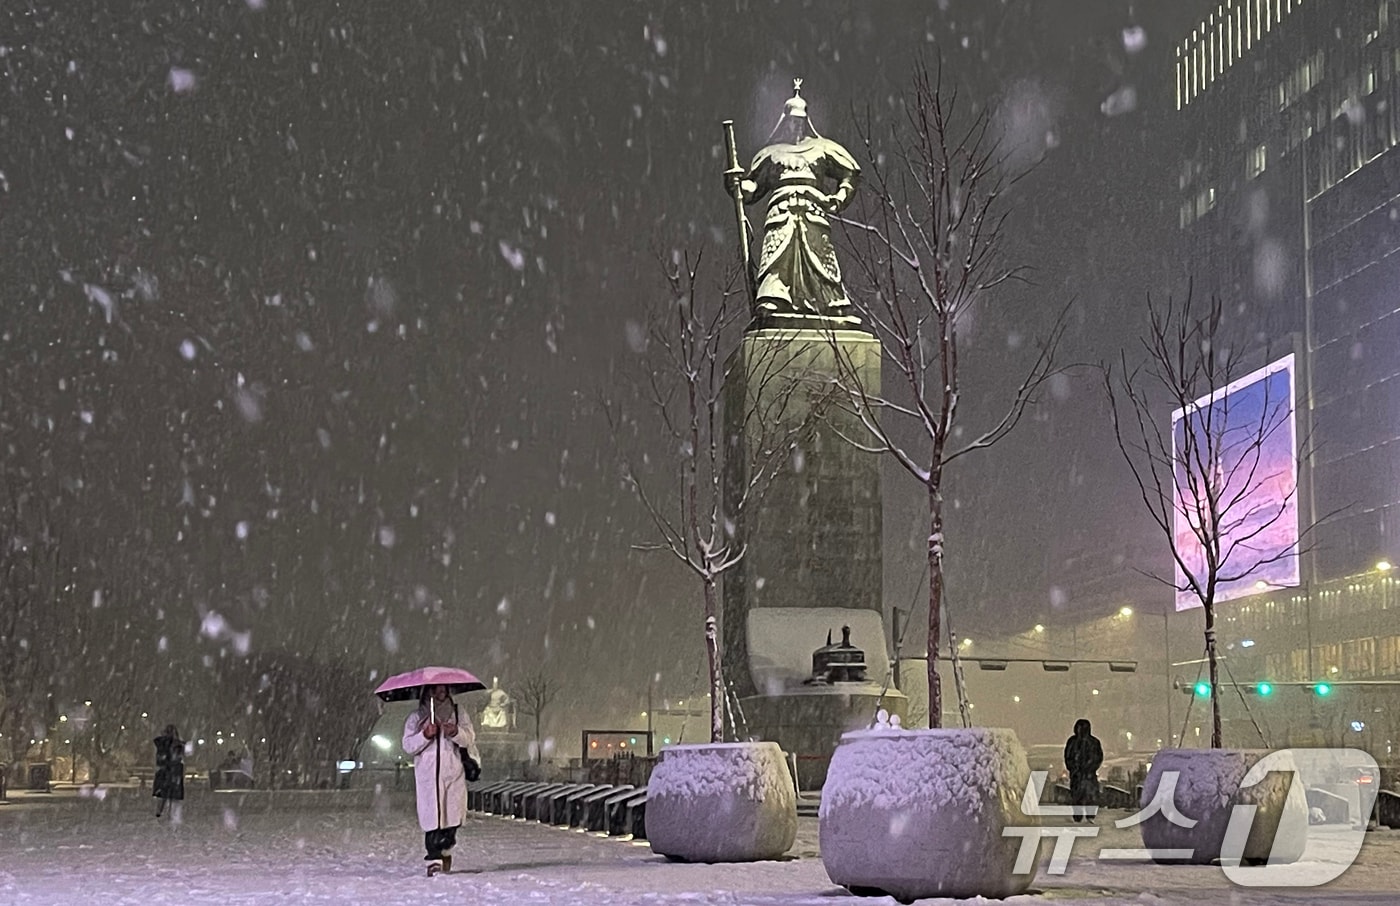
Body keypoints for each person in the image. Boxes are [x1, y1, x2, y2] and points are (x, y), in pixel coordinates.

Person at [727, 79, 862, 328]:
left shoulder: (822, 148)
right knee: (777, 257)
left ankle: (830, 303)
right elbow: (753, 189)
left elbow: (850, 173)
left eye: (799, 121)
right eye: (792, 121)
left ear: (805, 121)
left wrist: (840, 197)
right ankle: (774, 299)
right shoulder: (771, 153)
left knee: (820, 257)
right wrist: (736, 184)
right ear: (785, 121)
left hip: (813, 210)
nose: (795, 126)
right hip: (781, 210)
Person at [403, 684, 482, 875]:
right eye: (434, 689)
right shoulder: (416, 717)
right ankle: (433, 860)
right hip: (428, 777)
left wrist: (455, 732)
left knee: (452, 819)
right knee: (432, 821)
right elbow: (408, 745)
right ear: (427, 692)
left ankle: (445, 850)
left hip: (453, 774)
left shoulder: (458, 713)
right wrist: (425, 735)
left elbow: (469, 738)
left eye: (442, 689)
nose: (439, 693)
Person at [1063, 717, 1104, 823]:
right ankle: (1078, 816)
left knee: (1091, 796)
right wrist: (1073, 768)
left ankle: (1090, 816)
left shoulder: (1094, 742)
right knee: (1077, 796)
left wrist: (1091, 768)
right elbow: (1068, 756)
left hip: (1089, 774)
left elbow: (1098, 757)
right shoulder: (1072, 742)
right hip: (1077, 774)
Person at [152, 724, 185, 818]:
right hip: (171, 772)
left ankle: (160, 811)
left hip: (166, 771)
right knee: (169, 794)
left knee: (163, 794)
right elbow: (182, 755)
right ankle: (167, 812)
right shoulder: (175, 744)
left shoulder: (163, 743)